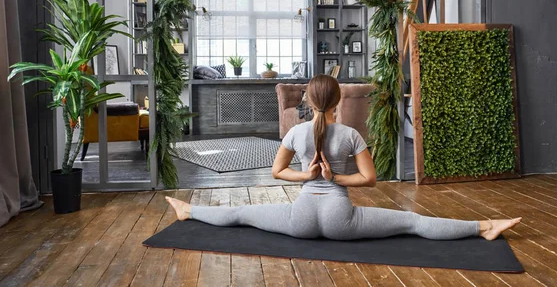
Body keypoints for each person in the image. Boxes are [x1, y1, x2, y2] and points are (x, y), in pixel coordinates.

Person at [166, 75, 521, 241]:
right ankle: (483, 227)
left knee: (243, 213)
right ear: (339, 103)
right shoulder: (351, 135)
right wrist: (334, 179)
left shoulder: (295, 132)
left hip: (299, 220)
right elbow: (370, 180)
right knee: (411, 222)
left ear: (307, 102)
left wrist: (307, 177)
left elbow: (277, 172)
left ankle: (188, 211)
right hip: (342, 220)